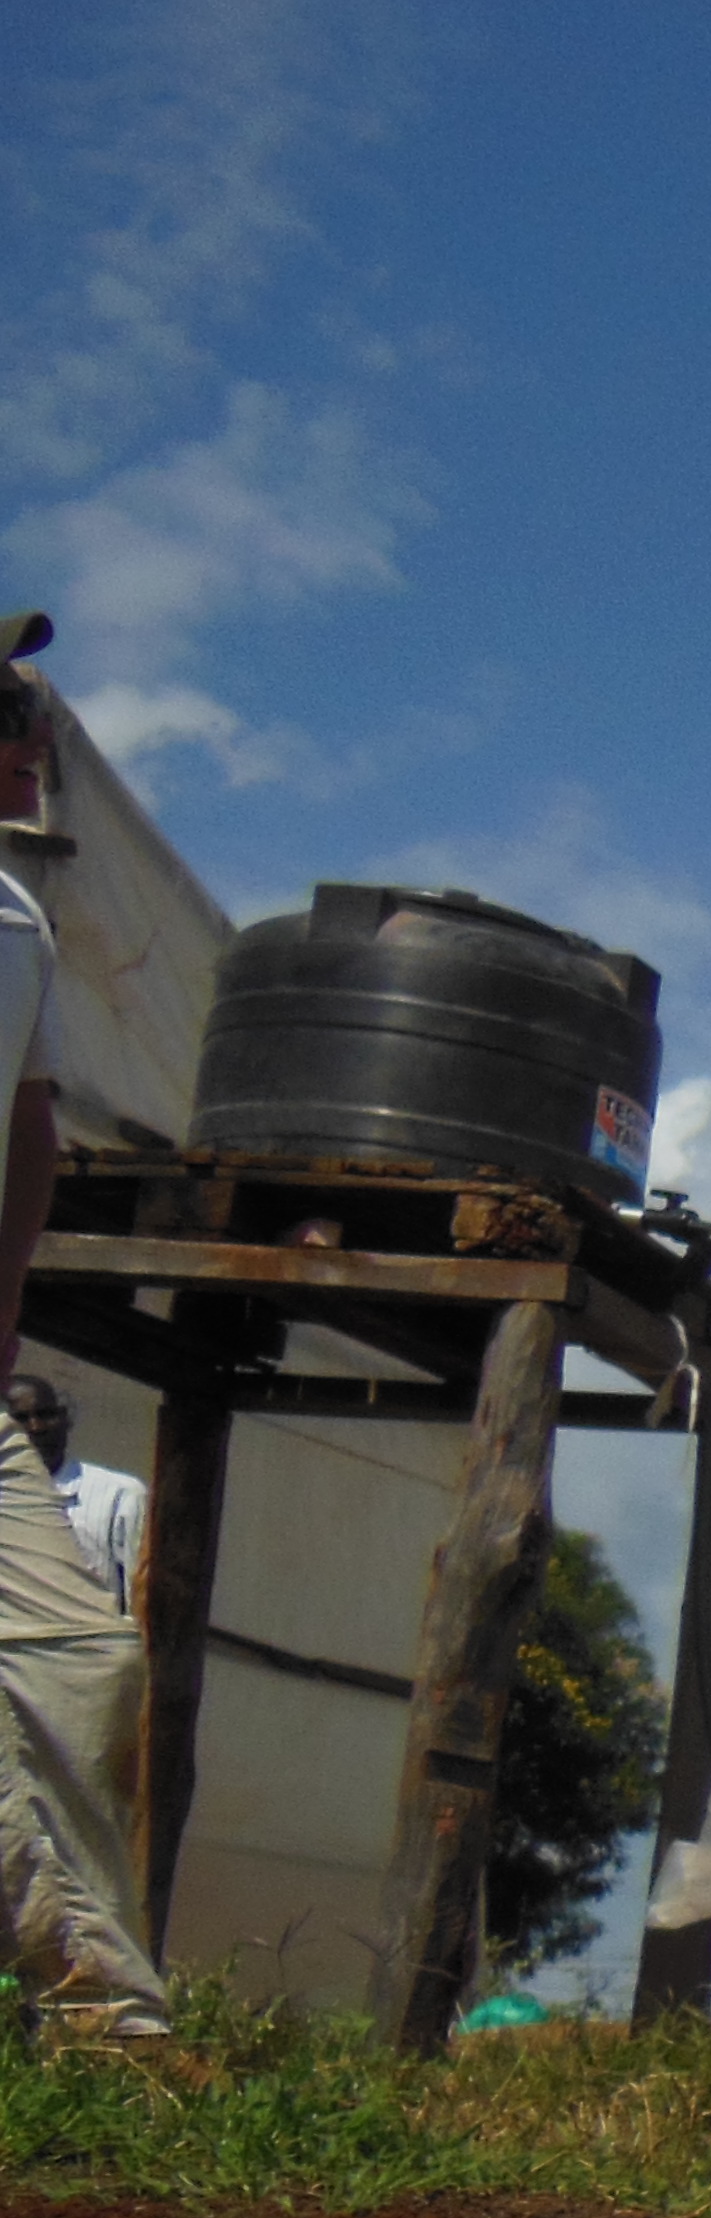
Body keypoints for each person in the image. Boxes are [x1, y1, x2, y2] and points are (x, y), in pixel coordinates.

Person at [0, 615, 171, 2045]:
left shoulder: (18, 925)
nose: (29, 747)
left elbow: (30, 1140)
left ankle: (88, 2011)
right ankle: (107, 2017)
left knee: (78, 1658)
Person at [1, 1379, 142, 1613]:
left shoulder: (120, 1496)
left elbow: (140, 1602)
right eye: (21, 1419)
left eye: (46, 1415)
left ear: (65, 1419)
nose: (35, 1427)